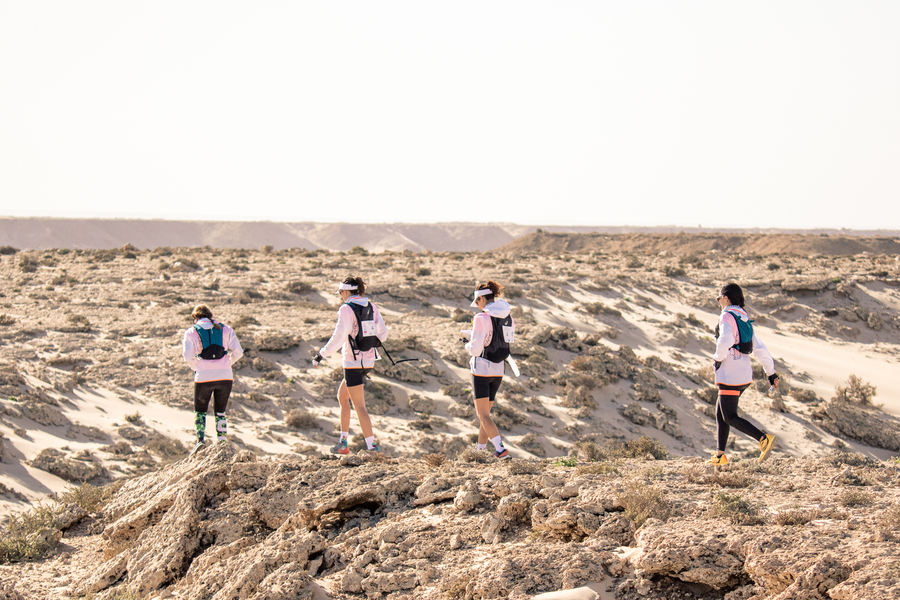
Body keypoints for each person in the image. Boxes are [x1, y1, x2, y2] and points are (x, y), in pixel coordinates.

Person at [313, 275, 389, 454]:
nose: (340, 295)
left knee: (359, 405)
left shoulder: (346, 309)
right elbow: (383, 334)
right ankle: (343, 443)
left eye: (340, 292)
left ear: (346, 291)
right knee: (342, 397)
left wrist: (321, 354)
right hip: (368, 361)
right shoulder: (371, 306)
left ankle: (372, 447)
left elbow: (339, 336)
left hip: (352, 362)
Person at [707, 283, 779, 465]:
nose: (718, 300)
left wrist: (717, 358)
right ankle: (719, 456)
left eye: (719, 297)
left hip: (730, 374)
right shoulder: (743, 317)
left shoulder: (726, 315)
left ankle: (763, 439)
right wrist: (771, 373)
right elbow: (760, 348)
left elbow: (726, 339)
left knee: (730, 416)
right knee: (721, 412)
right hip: (744, 374)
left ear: (727, 298)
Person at [181, 304, 243, 455]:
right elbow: (238, 352)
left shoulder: (191, 332)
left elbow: (187, 356)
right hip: (225, 376)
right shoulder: (226, 329)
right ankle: (221, 442)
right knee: (220, 411)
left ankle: (200, 441)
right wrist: (228, 363)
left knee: (200, 411)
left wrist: (197, 367)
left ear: (195, 317)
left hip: (203, 376)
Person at [464, 280, 515, 460]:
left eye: (477, 302)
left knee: (483, 414)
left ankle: (500, 450)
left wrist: (467, 345)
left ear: (481, 299)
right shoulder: (508, 317)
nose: (477, 305)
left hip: (481, 370)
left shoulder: (481, 318)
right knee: (486, 415)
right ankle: (480, 451)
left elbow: (476, 349)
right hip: (498, 370)